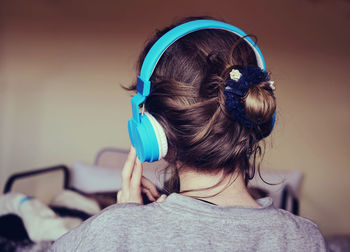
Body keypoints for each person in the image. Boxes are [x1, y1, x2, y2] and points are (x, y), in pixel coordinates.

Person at [50, 17, 327, 251]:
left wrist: (126, 222)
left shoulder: (112, 232)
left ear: (152, 130)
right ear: (258, 112)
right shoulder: (305, 238)